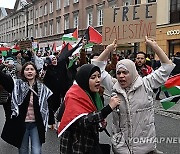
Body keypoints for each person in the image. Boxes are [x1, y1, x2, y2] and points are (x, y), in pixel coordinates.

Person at [92, 36, 175, 154]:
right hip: (121, 148)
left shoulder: (146, 83)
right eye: (118, 73)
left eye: (125, 72)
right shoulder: (114, 86)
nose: (121, 76)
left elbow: (167, 67)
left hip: (144, 147)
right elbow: (97, 67)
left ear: (132, 72)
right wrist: (108, 49)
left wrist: (154, 47)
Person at [58, 64, 120, 154]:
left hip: (89, 145)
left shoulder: (93, 94)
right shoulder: (74, 95)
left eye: (99, 76)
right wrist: (108, 108)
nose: (98, 80)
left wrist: (100, 124)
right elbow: (83, 121)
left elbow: (93, 118)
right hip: (75, 147)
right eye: (93, 77)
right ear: (84, 79)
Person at [0, 61, 52, 154]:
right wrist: (2, 66)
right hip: (22, 125)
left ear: (36, 72)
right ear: (23, 72)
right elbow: (4, 79)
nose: (29, 71)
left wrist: (52, 121)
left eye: (32, 69)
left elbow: (47, 105)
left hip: (36, 124)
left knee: (36, 151)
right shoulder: (16, 85)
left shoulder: (42, 88)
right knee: (23, 151)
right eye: (27, 69)